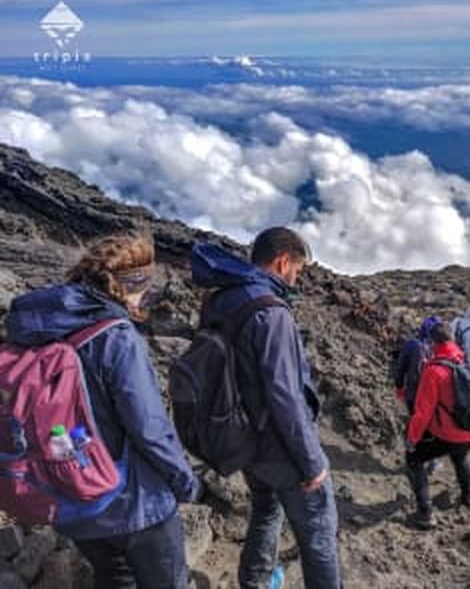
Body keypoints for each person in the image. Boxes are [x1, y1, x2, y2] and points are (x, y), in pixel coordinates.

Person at [5, 232, 199, 588]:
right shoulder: (116, 336)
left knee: (113, 581)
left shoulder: (32, 329)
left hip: (72, 500)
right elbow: (148, 427)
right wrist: (184, 482)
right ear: (130, 286)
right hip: (136, 504)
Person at [191, 227, 341, 589]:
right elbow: (285, 395)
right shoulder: (271, 312)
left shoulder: (220, 299)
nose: (296, 278)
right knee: (319, 532)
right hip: (279, 446)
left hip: (243, 439)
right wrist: (311, 463)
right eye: (298, 270)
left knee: (266, 508)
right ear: (282, 261)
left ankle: (255, 583)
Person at [405, 323, 470, 529]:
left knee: (414, 459)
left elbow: (422, 412)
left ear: (433, 343)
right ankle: (469, 499)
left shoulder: (434, 370)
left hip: (449, 434)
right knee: (461, 457)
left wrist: (412, 439)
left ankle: (426, 513)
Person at [393, 315, 441, 414]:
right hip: (432, 399)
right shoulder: (440, 348)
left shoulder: (411, 345)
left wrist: (399, 388)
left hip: (412, 394)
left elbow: (400, 369)